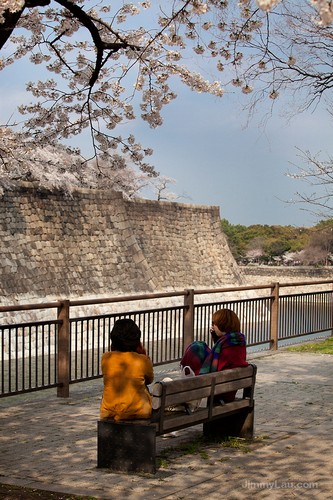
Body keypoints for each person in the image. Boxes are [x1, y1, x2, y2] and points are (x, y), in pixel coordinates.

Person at [180, 308, 248, 402]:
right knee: (200, 346)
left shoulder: (225, 345)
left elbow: (214, 368)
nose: (212, 326)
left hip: (218, 393)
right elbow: (220, 358)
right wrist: (217, 337)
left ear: (222, 324)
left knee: (197, 347)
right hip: (228, 390)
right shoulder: (238, 340)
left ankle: (186, 375)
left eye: (214, 323)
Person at [100, 318, 154, 421]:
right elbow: (149, 380)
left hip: (109, 412)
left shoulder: (106, 358)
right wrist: (143, 354)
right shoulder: (142, 360)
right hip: (139, 412)